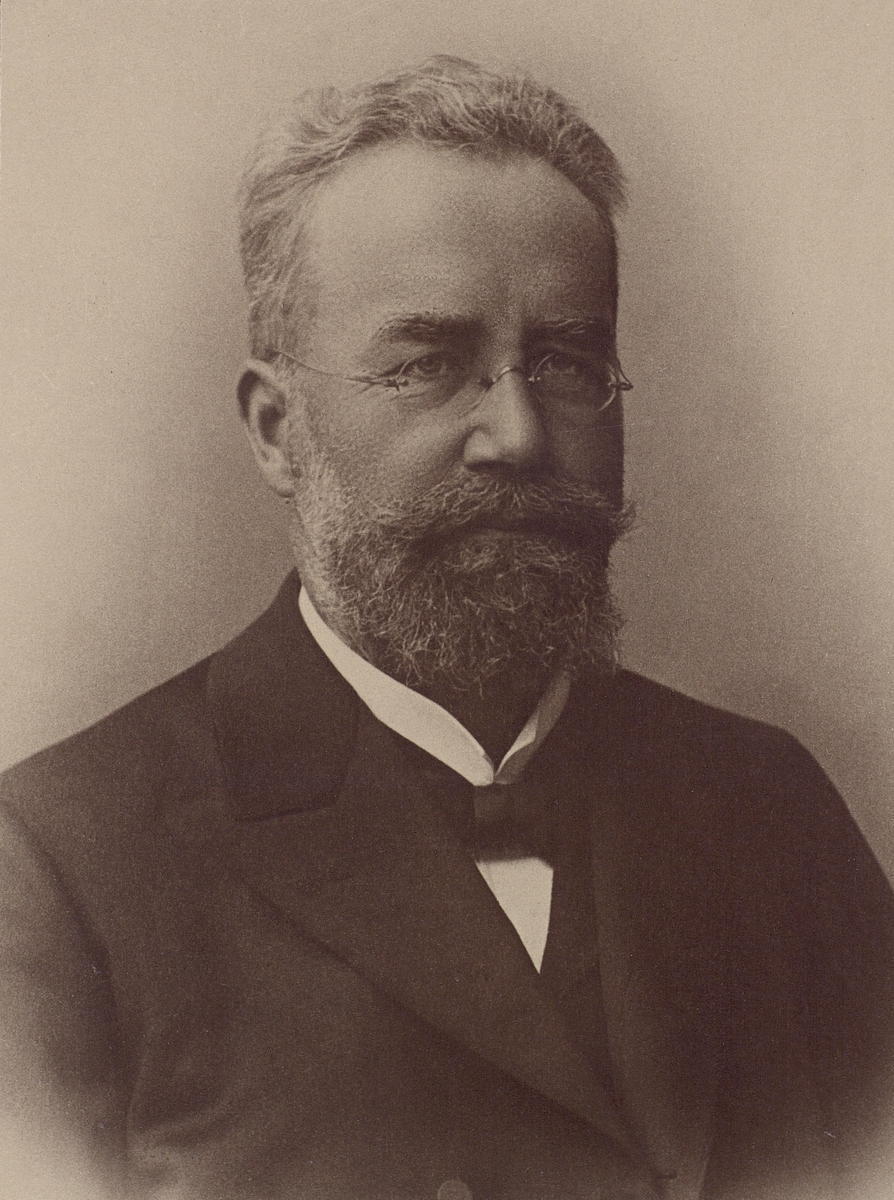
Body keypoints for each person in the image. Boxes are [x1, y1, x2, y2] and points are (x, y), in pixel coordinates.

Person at [1, 56, 892, 1200]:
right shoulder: (60, 868)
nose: (518, 435)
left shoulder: (772, 814)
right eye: (428, 366)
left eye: (567, 363)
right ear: (276, 430)